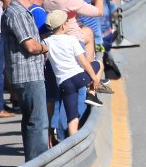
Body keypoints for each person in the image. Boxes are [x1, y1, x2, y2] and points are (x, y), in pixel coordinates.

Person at [3, 0, 49, 162]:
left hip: (26, 74)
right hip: (28, 74)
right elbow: (30, 45)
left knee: (31, 120)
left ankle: (33, 161)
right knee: (38, 121)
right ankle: (38, 163)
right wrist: (46, 47)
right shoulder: (18, 14)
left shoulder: (16, 12)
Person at [43, 8, 103, 138]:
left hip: (64, 83)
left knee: (72, 118)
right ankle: (92, 93)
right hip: (79, 78)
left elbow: (44, 58)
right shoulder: (71, 40)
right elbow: (84, 63)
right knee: (99, 63)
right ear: (63, 25)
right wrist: (94, 78)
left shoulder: (46, 42)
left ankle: (72, 143)